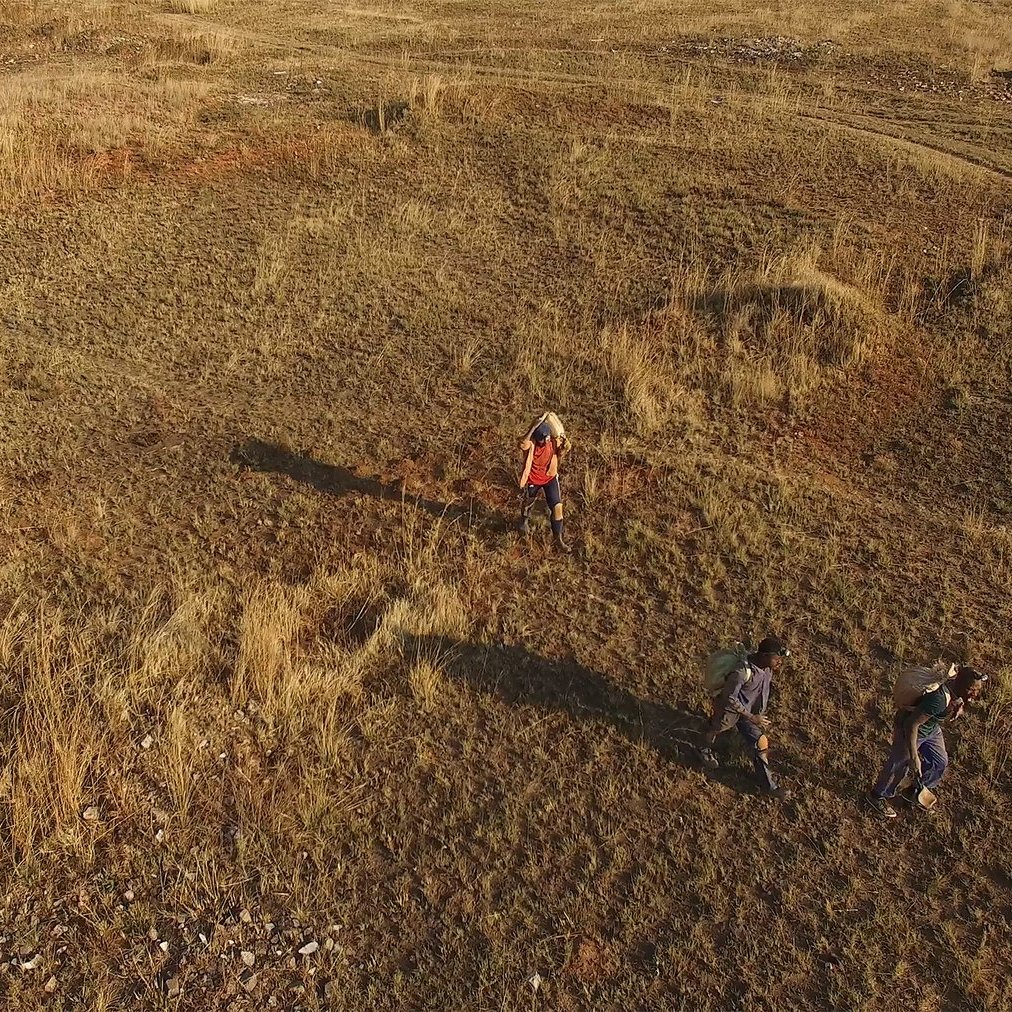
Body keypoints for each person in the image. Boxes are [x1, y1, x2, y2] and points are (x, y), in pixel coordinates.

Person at [867, 664, 988, 818]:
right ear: (960, 685)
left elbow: (958, 696)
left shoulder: (955, 687)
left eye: (977, 690)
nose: (975, 694)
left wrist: (959, 703)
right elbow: (911, 724)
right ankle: (877, 796)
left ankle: (914, 792)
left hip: (931, 728)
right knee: (900, 764)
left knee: (939, 762)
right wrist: (914, 757)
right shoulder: (938, 700)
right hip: (911, 729)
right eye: (971, 689)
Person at [698, 636, 791, 799]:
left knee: (761, 743)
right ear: (764, 656)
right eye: (776, 658)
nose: (779, 662)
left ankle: (769, 786)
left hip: (749, 713)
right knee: (715, 728)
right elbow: (729, 697)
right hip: (730, 711)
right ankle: (702, 748)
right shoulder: (741, 672)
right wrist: (751, 717)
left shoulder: (766, 668)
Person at [518, 418, 570, 553]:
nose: (546, 440)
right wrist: (533, 427)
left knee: (557, 507)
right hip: (533, 480)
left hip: (549, 477)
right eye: (542, 439)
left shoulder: (553, 441)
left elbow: (562, 450)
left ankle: (558, 539)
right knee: (528, 505)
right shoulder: (531, 444)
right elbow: (522, 443)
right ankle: (524, 522)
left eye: (547, 437)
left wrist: (565, 447)